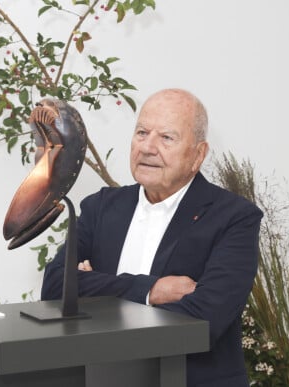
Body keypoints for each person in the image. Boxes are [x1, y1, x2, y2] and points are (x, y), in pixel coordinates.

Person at [41, 88, 263, 387]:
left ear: (198, 154)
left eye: (166, 138)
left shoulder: (234, 217)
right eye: (142, 132)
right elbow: (56, 286)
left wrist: (99, 294)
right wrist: (150, 291)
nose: (147, 147)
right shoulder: (102, 206)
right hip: (107, 379)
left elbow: (203, 321)